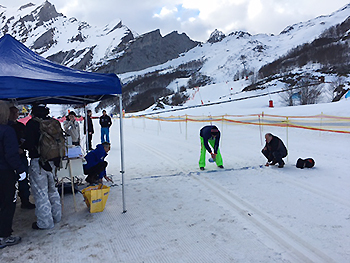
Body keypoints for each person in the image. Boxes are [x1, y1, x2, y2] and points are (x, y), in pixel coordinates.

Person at [25, 104, 61, 230]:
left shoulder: (32, 124)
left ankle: (45, 222)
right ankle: (57, 216)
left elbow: (29, 144)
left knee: (41, 193)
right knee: (53, 190)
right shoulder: (52, 122)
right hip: (53, 162)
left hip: (38, 163)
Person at [0, 100, 26, 248]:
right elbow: (11, 154)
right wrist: (20, 169)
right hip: (5, 172)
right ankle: (4, 235)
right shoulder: (6, 131)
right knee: (8, 203)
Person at [8, 106, 35, 209]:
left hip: (22, 157)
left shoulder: (20, 126)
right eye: (13, 112)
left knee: (23, 181)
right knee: (9, 182)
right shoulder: (4, 126)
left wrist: (24, 147)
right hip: (9, 160)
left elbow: (27, 140)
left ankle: (25, 200)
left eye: (17, 112)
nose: (16, 114)